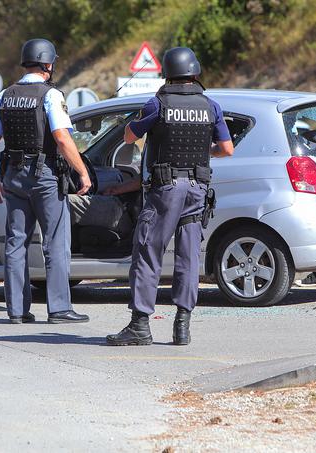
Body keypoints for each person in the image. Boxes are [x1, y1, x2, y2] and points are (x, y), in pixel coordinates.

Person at [106, 47, 234, 346]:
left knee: (148, 252)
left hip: (165, 189)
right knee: (188, 258)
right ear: (195, 73)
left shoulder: (158, 103)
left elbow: (128, 137)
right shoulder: (210, 106)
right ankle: (182, 327)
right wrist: (205, 153)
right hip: (197, 190)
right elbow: (227, 149)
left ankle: (140, 325)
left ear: (167, 74)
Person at [0, 38, 91, 324]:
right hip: (44, 177)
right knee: (56, 242)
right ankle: (59, 309)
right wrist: (81, 171)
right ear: (47, 63)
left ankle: (17, 310)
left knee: (16, 242)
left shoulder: (4, 95)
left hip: (12, 176)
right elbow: (62, 138)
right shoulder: (51, 95)